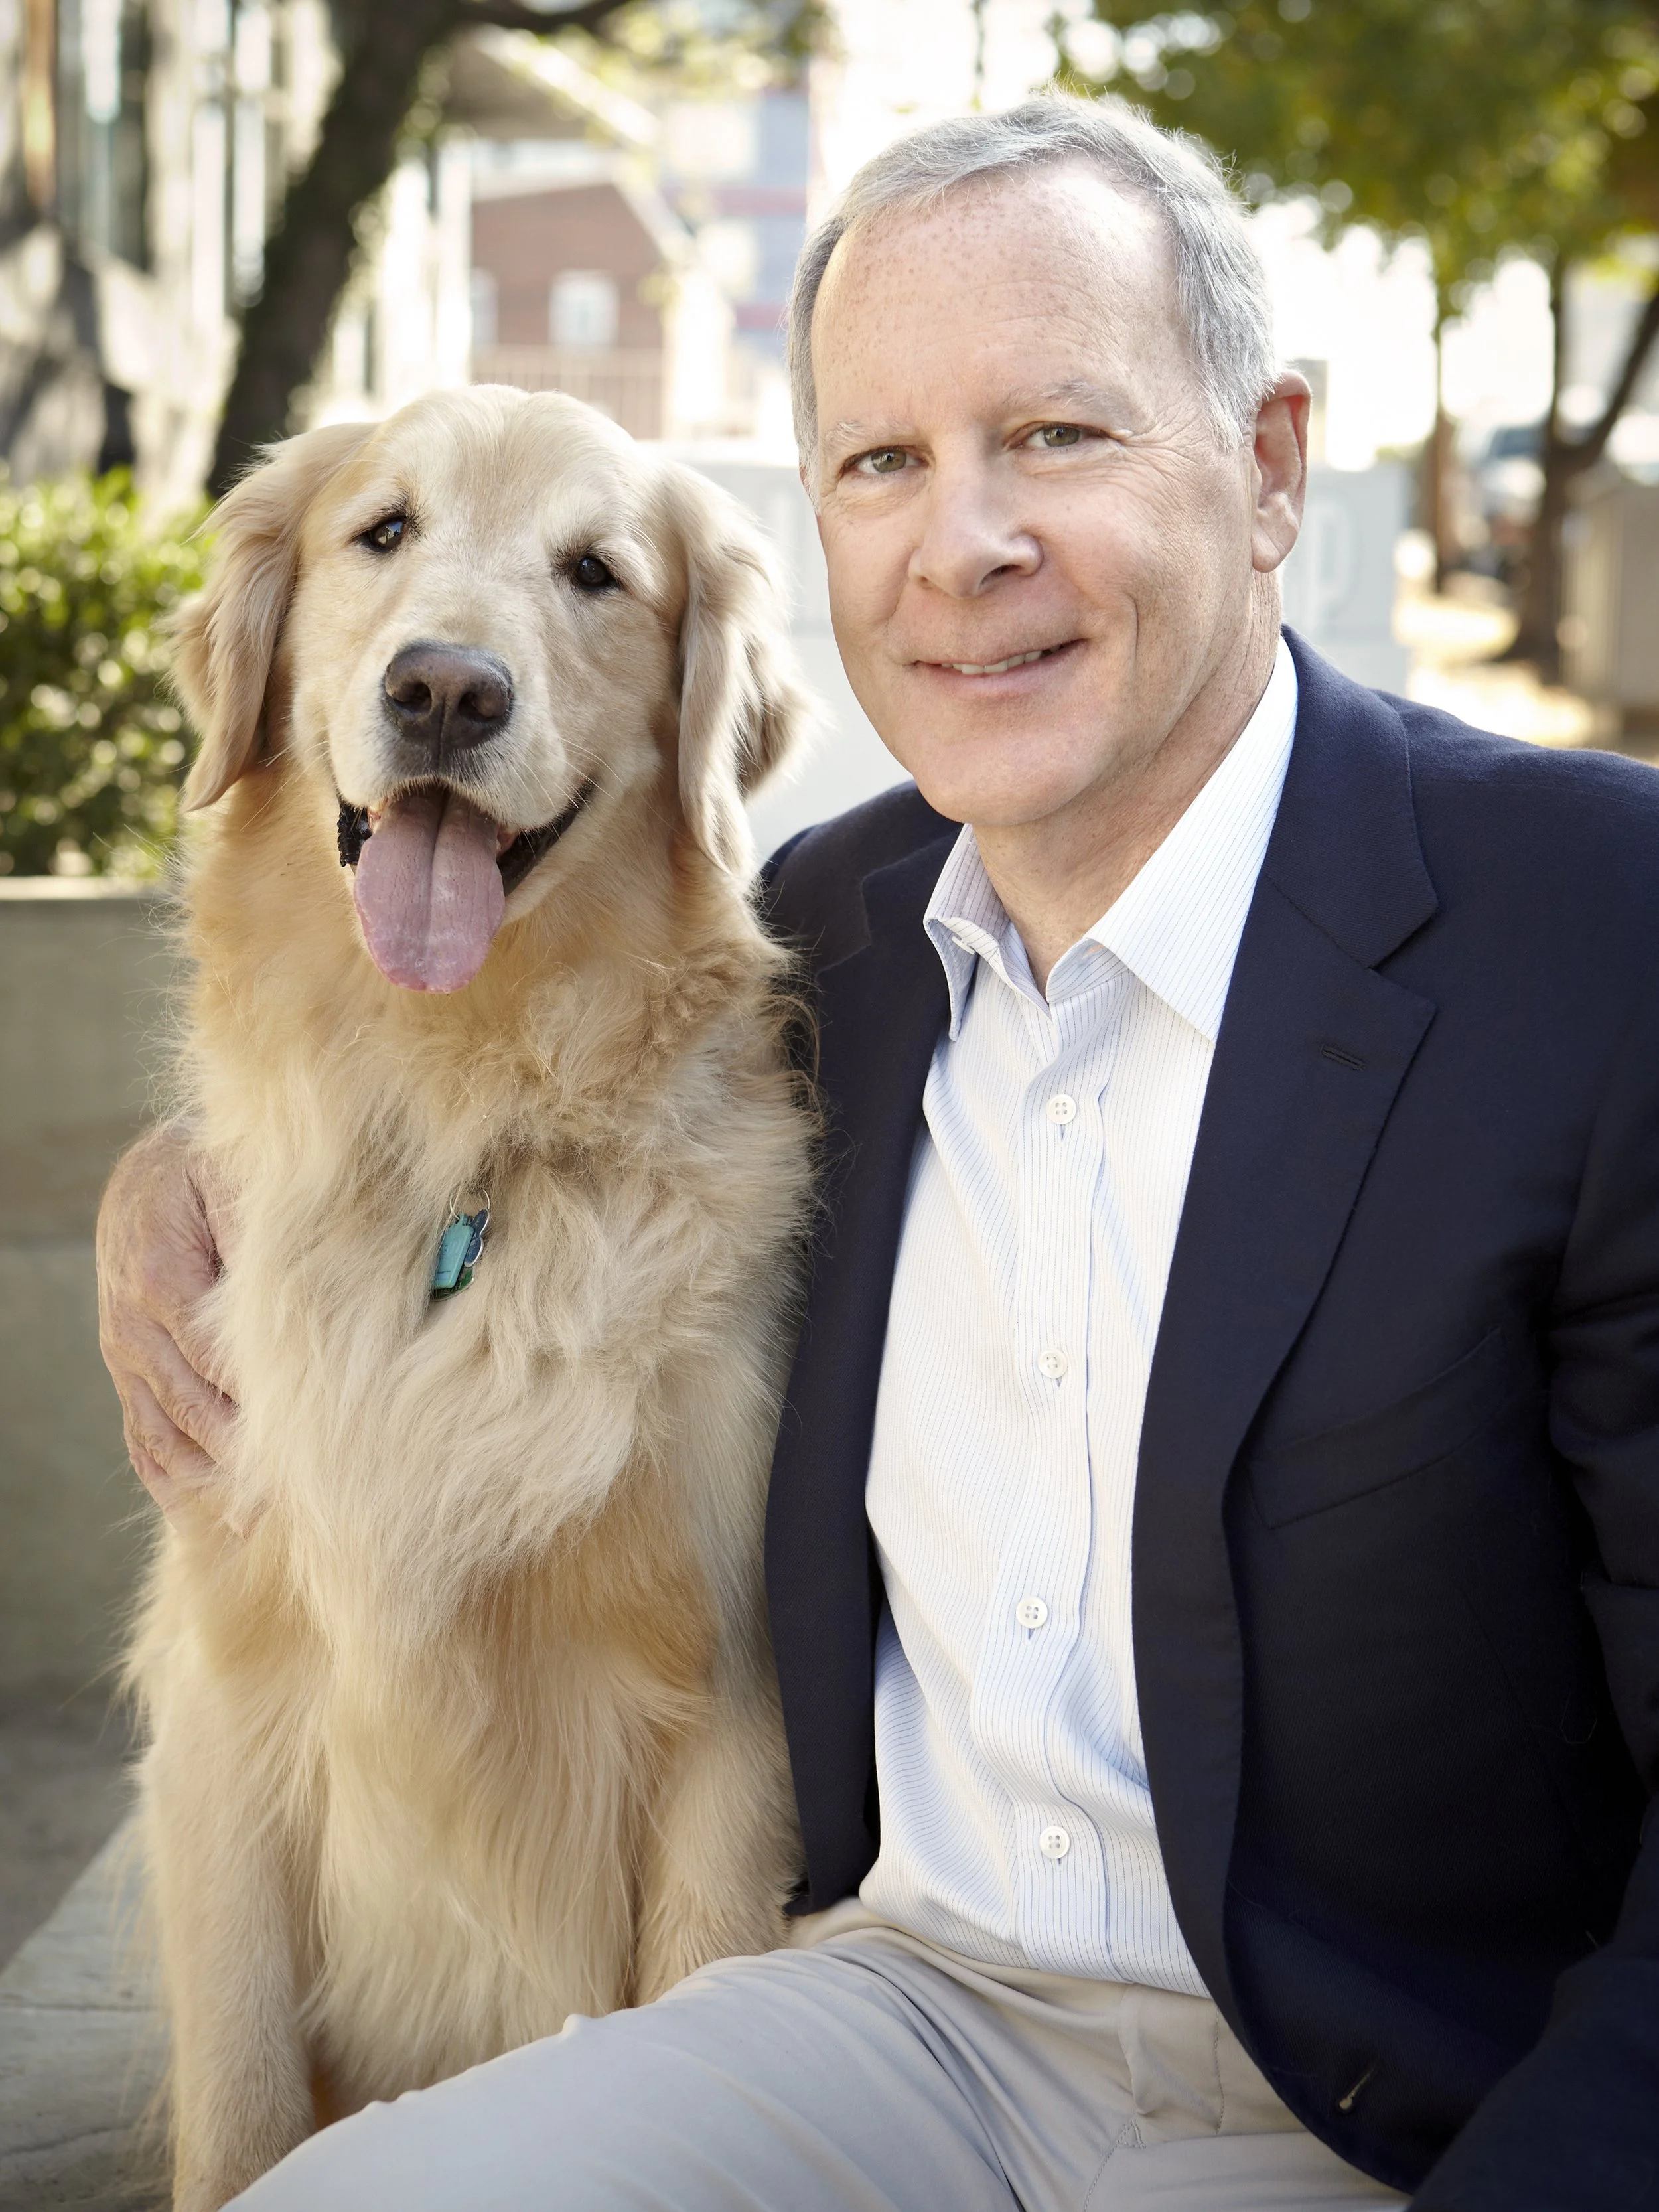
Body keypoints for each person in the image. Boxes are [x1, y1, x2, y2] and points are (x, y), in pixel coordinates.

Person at [96, 98, 1659, 2212]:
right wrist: (168, 1184)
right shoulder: (818, 941)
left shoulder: (1590, 931)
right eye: (882, 463)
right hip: (873, 2007)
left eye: (1060, 438)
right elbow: (440, 1089)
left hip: (1350, 2106)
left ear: (1269, 466)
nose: (964, 543)